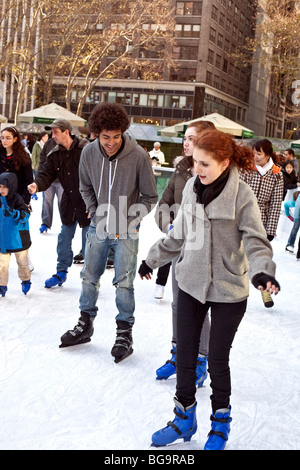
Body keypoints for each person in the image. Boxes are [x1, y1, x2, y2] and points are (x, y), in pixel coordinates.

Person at [138, 129, 280, 450]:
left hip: (229, 289)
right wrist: (152, 259)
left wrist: (262, 272)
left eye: (204, 163)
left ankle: (220, 424)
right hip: (190, 281)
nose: (197, 169)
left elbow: (257, 242)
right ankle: (184, 418)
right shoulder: (190, 187)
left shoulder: (242, 195)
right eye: (194, 162)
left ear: (224, 162)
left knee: (217, 360)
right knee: (186, 354)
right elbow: (178, 236)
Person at [59, 102, 158, 363]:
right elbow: (85, 187)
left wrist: (130, 220)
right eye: (106, 137)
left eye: (116, 136)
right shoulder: (89, 153)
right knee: (89, 276)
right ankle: (85, 323)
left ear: (123, 132)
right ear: (96, 134)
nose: (111, 142)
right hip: (98, 226)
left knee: (124, 283)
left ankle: (124, 332)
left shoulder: (138, 156)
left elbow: (149, 196)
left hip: (127, 231)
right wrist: (94, 209)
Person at [154, 121, 215, 386]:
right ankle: (178, 355)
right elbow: (163, 204)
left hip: (203, 250)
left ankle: (201, 360)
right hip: (179, 246)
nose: (185, 143)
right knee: (179, 304)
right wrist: (168, 223)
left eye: (191, 138)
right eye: (185, 138)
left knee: (198, 305)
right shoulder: (180, 170)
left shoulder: (216, 171)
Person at [27, 118, 90, 288]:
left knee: (89, 244)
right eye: (51, 132)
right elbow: (46, 174)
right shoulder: (55, 154)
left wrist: (97, 204)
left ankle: (90, 279)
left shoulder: (86, 150)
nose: (52, 135)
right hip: (69, 202)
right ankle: (61, 272)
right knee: (64, 239)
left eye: (55, 132)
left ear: (66, 132)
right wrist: (37, 185)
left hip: (89, 204)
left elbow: (99, 177)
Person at [0, 172, 32, 297]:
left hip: (18, 238)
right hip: (3, 239)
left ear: (11, 186)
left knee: (22, 262)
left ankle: (26, 280)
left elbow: (26, 216)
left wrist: (15, 214)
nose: (1, 190)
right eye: (0, 186)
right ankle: (2, 285)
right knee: (2, 264)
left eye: (4, 187)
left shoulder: (18, 199)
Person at [0, 126, 33, 205]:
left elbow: (28, 180)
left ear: (15, 139)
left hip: (17, 197)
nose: (4, 141)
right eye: (2, 138)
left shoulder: (23, 157)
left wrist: (25, 200)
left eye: (8, 138)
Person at [285, 191, 300, 256]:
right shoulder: (293, 203)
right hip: (297, 217)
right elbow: (285, 205)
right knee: (295, 230)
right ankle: (290, 245)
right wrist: (289, 215)